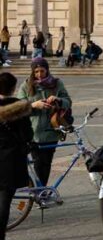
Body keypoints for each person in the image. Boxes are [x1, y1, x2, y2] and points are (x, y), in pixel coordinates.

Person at [19, 58, 71, 187]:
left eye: (42, 71)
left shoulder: (57, 83)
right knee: (38, 163)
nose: (39, 74)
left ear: (47, 70)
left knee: (46, 163)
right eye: (36, 71)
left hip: (51, 130)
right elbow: (19, 107)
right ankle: (39, 190)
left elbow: (68, 101)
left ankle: (41, 190)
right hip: (33, 132)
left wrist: (58, 100)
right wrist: (34, 105)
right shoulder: (26, 85)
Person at [0, 71, 33, 240]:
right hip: (9, 160)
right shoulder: (19, 107)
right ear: (13, 88)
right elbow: (28, 135)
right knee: (4, 201)